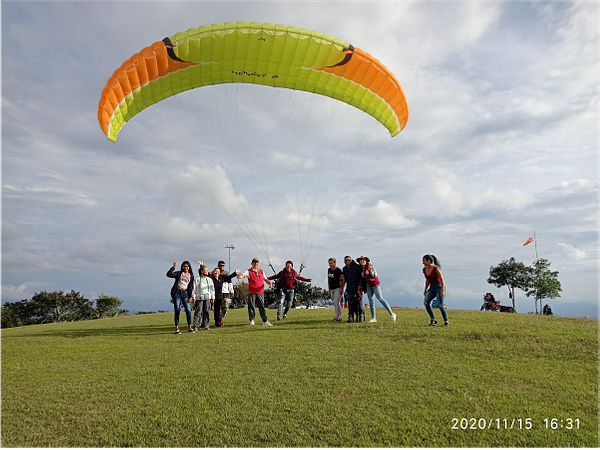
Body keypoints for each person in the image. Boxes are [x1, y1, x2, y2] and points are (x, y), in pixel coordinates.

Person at [199, 260, 238, 327]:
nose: (216, 272)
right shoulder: (211, 277)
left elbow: (229, 278)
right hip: (211, 295)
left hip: (218, 296)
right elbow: (205, 273)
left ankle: (217, 322)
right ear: (213, 272)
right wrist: (202, 265)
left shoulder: (222, 278)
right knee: (206, 309)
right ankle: (204, 323)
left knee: (217, 310)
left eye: (218, 271)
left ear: (219, 273)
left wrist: (235, 273)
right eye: (215, 271)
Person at [357, 256, 396, 323]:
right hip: (368, 285)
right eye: (361, 260)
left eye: (363, 260)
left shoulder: (370, 266)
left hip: (375, 284)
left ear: (366, 261)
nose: (362, 261)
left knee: (380, 298)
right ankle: (373, 318)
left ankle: (392, 313)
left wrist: (370, 271)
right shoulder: (361, 269)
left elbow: (375, 275)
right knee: (371, 301)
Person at [237, 258, 273, 326]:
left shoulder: (261, 271)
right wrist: (240, 276)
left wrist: (270, 283)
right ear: (252, 263)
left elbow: (265, 279)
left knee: (262, 306)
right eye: (254, 262)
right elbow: (243, 275)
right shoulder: (249, 271)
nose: (255, 264)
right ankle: (252, 320)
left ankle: (265, 321)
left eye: (257, 262)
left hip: (260, 292)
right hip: (252, 291)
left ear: (258, 263)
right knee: (251, 306)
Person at [166, 260, 195, 334]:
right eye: (184, 266)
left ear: (189, 267)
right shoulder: (179, 273)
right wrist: (173, 267)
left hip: (185, 293)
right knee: (177, 310)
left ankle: (190, 327)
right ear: (182, 267)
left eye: (187, 266)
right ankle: (177, 329)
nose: (186, 268)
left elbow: (191, 287)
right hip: (177, 292)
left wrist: (190, 296)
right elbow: (168, 274)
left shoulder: (190, 275)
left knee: (188, 310)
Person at [422, 254, 449, 327]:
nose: (423, 263)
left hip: (439, 287)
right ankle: (433, 320)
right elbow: (427, 280)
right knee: (426, 303)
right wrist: (425, 289)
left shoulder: (436, 269)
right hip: (431, 287)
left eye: (424, 261)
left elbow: (442, 279)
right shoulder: (424, 269)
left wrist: (442, 290)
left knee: (440, 305)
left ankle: (446, 321)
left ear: (428, 261)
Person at [191, 264, 215, 331]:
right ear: (202, 271)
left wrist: (213, 297)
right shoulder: (197, 279)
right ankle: (196, 326)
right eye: (206, 270)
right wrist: (194, 296)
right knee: (198, 312)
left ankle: (206, 325)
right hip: (199, 297)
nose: (207, 271)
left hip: (207, 297)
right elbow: (194, 289)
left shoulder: (209, 280)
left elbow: (212, 289)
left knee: (207, 311)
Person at [342, 256, 365, 322]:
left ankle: (361, 317)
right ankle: (350, 317)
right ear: (344, 262)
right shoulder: (345, 269)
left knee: (359, 302)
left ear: (351, 260)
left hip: (357, 288)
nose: (347, 261)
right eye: (346, 260)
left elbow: (361, 277)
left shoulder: (357, 267)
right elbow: (345, 279)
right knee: (350, 303)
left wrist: (360, 287)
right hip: (349, 288)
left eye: (349, 260)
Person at [327, 258, 345, 322]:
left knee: (336, 302)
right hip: (332, 288)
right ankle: (337, 316)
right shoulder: (329, 270)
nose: (330, 265)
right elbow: (329, 280)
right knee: (335, 303)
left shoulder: (338, 270)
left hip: (338, 288)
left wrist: (342, 288)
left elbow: (343, 280)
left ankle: (338, 317)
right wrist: (329, 288)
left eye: (332, 263)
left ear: (335, 262)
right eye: (329, 263)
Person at [218, 261, 235, 325]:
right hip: (218, 292)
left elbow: (230, 283)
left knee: (225, 307)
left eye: (223, 265)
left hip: (225, 292)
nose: (221, 267)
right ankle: (217, 320)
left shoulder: (226, 273)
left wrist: (232, 291)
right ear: (218, 266)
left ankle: (221, 318)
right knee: (218, 307)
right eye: (220, 265)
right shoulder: (216, 272)